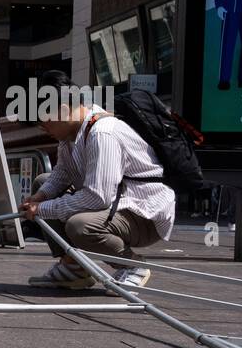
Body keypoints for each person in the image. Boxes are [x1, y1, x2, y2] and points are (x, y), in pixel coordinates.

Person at [20, 72, 175, 290]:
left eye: (43, 121)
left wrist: (43, 209)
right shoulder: (70, 134)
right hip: (115, 204)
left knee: (80, 226)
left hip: (142, 213)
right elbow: (62, 173)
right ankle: (74, 267)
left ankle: (132, 265)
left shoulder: (102, 133)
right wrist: (39, 197)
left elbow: (97, 197)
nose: (42, 128)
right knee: (43, 183)